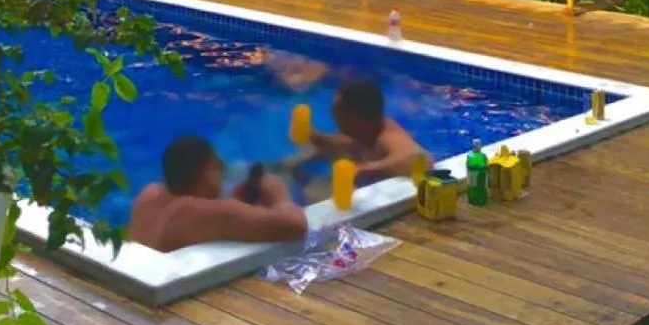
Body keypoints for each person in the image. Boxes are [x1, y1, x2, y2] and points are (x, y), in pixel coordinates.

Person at [127, 135, 308, 254]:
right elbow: (296, 224)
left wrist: (235, 202)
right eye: (220, 170)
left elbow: (213, 217)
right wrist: (279, 194)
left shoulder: (150, 193)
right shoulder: (191, 212)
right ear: (209, 172)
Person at [311, 77, 428, 185]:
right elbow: (344, 143)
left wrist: (362, 169)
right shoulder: (361, 130)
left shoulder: (388, 136)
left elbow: (421, 159)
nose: (333, 114)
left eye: (337, 110)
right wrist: (321, 139)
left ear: (357, 117)